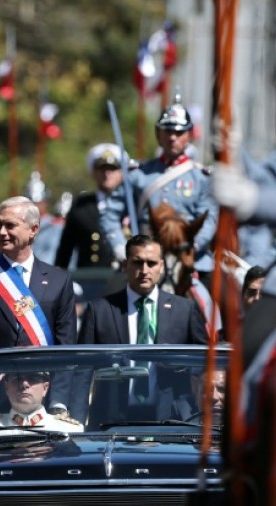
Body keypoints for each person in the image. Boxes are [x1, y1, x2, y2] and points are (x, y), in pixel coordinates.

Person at [100, 95, 219, 284]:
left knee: (211, 308)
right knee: (106, 308)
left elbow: (209, 219)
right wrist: (120, 248)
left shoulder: (202, 178)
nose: (172, 137)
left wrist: (192, 246)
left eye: (179, 132)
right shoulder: (137, 175)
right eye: (167, 131)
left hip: (189, 263)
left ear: (189, 136)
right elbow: (111, 214)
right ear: (158, 134)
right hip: (143, 262)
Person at [0, 196, 77, 351]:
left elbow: (67, 348)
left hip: (43, 375)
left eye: (10, 225)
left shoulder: (59, 281)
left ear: (33, 229)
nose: (2, 232)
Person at [78, 234, 208, 346]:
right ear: (125, 265)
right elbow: (82, 366)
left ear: (161, 266)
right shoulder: (99, 311)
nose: (144, 271)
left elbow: (205, 362)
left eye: (151, 263)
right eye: (137, 263)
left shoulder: (185, 310)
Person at [54, 143, 121, 270]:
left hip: (123, 278)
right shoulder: (81, 206)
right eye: (102, 169)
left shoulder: (131, 204)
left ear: (121, 172)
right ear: (94, 173)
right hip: (89, 278)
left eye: (112, 169)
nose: (107, 174)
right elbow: (65, 249)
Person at [0, 372, 84, 435]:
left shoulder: (70, 430)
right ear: (6, 388)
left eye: (33, 378)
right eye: (17, 379)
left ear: (45, 388)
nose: (24, 384)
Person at [23, 172, 64, 266]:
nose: (33, 205)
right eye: (30, 201)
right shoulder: (19, 226)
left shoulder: (57, 226)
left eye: (37, 202)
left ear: (45, 201)